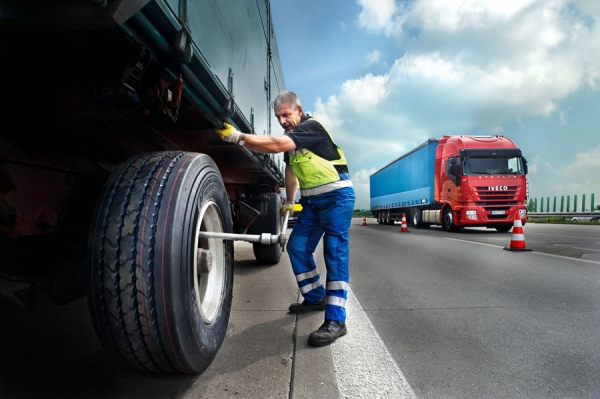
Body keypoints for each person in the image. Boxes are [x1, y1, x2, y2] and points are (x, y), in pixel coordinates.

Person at [215, 91, 355, 346]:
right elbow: (290, 173)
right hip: (312, 203)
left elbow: (277, 144)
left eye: (286, 115)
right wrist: (290, 201)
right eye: (278, 117)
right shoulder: (294, 145)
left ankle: (336, 320)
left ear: (299, 111)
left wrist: (239, 137)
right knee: (296, 247)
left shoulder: (311, 127)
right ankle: (315, 297)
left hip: (337, 198)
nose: (282, 121)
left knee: (334, 253)